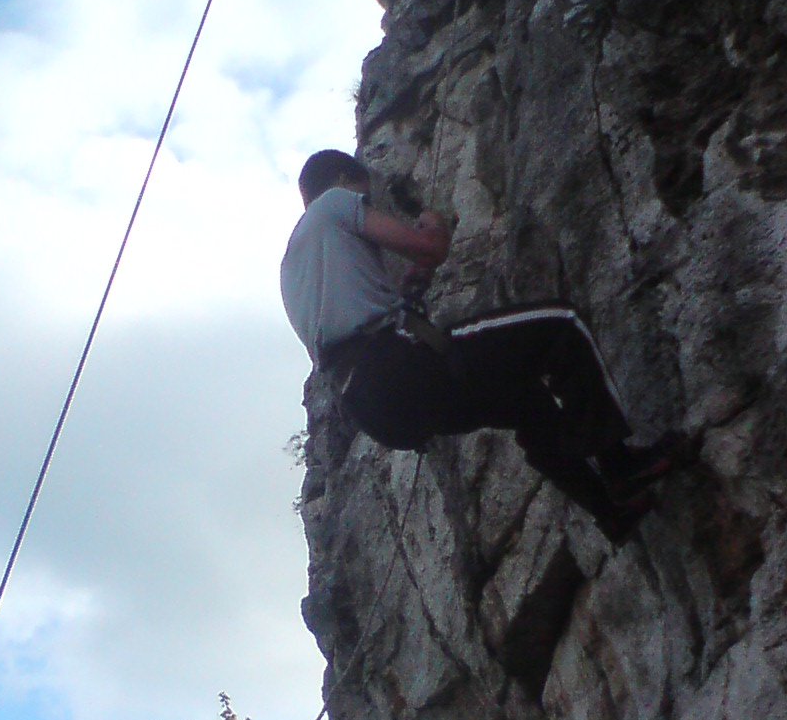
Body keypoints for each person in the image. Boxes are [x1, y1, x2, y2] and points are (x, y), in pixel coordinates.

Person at [279, 149, 696, 542]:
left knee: (527, 401)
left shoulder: (291, 267)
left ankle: (610, 511)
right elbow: (431, 248)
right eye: (364, 196)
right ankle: (620, 465)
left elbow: (352, 320)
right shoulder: (334, 202)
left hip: (374, 408)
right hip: (393, 365)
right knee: (560, 326)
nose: (366, 205)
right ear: (340, 180)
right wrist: (431, 224)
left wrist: (405, 290)